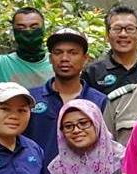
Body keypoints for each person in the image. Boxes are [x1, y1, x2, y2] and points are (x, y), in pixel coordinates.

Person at [24, 27, 108, 164]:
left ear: (85, 58)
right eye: (58, 53)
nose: (64, 58)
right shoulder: (30, 98)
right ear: (50, 58)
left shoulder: (98, 101)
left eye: (73, 53)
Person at [0, 7, 54, 90]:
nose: (28, 32)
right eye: (21, 28)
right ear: (14, 32)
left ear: (43, 29)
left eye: (34, 27)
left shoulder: (57, 62)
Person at [83, 5, 137, 95]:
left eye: (130, 29)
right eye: (117, 28)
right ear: (107, 35)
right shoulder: (93, 71)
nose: (123, 34)